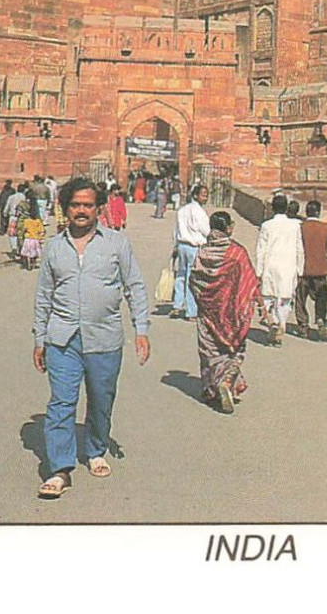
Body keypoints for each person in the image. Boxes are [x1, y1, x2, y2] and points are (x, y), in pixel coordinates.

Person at [32, 178, 150, 500]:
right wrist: (40, 338)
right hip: (62, 339)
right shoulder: (55, 246)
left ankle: (96, 449)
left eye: (87, 205)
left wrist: (142, 330)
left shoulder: (116, 244)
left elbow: (135, 287)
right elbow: (44, 295)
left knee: (101, 399)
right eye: (75, 205)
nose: (81, 211)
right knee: (61, 402)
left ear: (98, 209)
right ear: (66, 209)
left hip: (105, 338)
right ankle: (59, 468)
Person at [188, 211, 262, 414]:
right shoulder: (236, 253)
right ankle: (227, 381)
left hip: (208, 312)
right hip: (231, 314)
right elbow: (250, 281)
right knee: (233, 350)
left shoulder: (203, 252)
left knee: (210, 351)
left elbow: (194, 281)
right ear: (228, 228)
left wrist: (204, 302)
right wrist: (257, 304)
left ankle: (212, 389)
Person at [253, 194, 302, 347]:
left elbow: (261, 250)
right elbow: (299, 249)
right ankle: (281, 327)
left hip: (270, 265)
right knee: (284, 300)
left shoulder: (267, 225)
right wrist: (300, 269)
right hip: (288, 265)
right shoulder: (295, 226)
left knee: (268, 298)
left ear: (272, 208)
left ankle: (272, 323)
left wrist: (258, 271)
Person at [293, 199, 327, 341]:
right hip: (320, 270)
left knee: (300, 300)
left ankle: (303, 326)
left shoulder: (301, 228)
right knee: (321, 299)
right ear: (319, 212)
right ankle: (321, 319)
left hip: (304, 270)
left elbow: (298, 249)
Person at [171, 183, 211, 319]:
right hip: (194, 247)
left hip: (182, 244)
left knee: (181, 275)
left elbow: (176, 230)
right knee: (192, 278)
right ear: (195, 195)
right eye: (203, 195)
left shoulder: (182, 210)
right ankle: (191, 311)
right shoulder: (199, 212)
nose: (205, 198)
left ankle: (177, 304)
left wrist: (175, 246)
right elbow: (206, 231)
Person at [18, 205, 46, 270]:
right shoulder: (38, 221)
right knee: (35, 252)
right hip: (35, 239)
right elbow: (41, 230)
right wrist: (41, 236)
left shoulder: (26, 221)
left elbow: (24, 229)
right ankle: (33, 262)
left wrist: (22, 234)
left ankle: (28, 262)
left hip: (28, 238)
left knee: (27, 251)